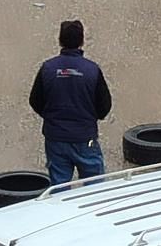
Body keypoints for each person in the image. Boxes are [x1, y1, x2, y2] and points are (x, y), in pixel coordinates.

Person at [28, 20, 112, 186]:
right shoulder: (92, 69)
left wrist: (52, 118)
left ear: (60, 40)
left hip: (56, 139)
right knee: (95, 189)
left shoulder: (48, 68)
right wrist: (88, 119)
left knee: (59, 189)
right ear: (82, 41)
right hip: (85, 138)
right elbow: (104, 106)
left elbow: (35, 101)